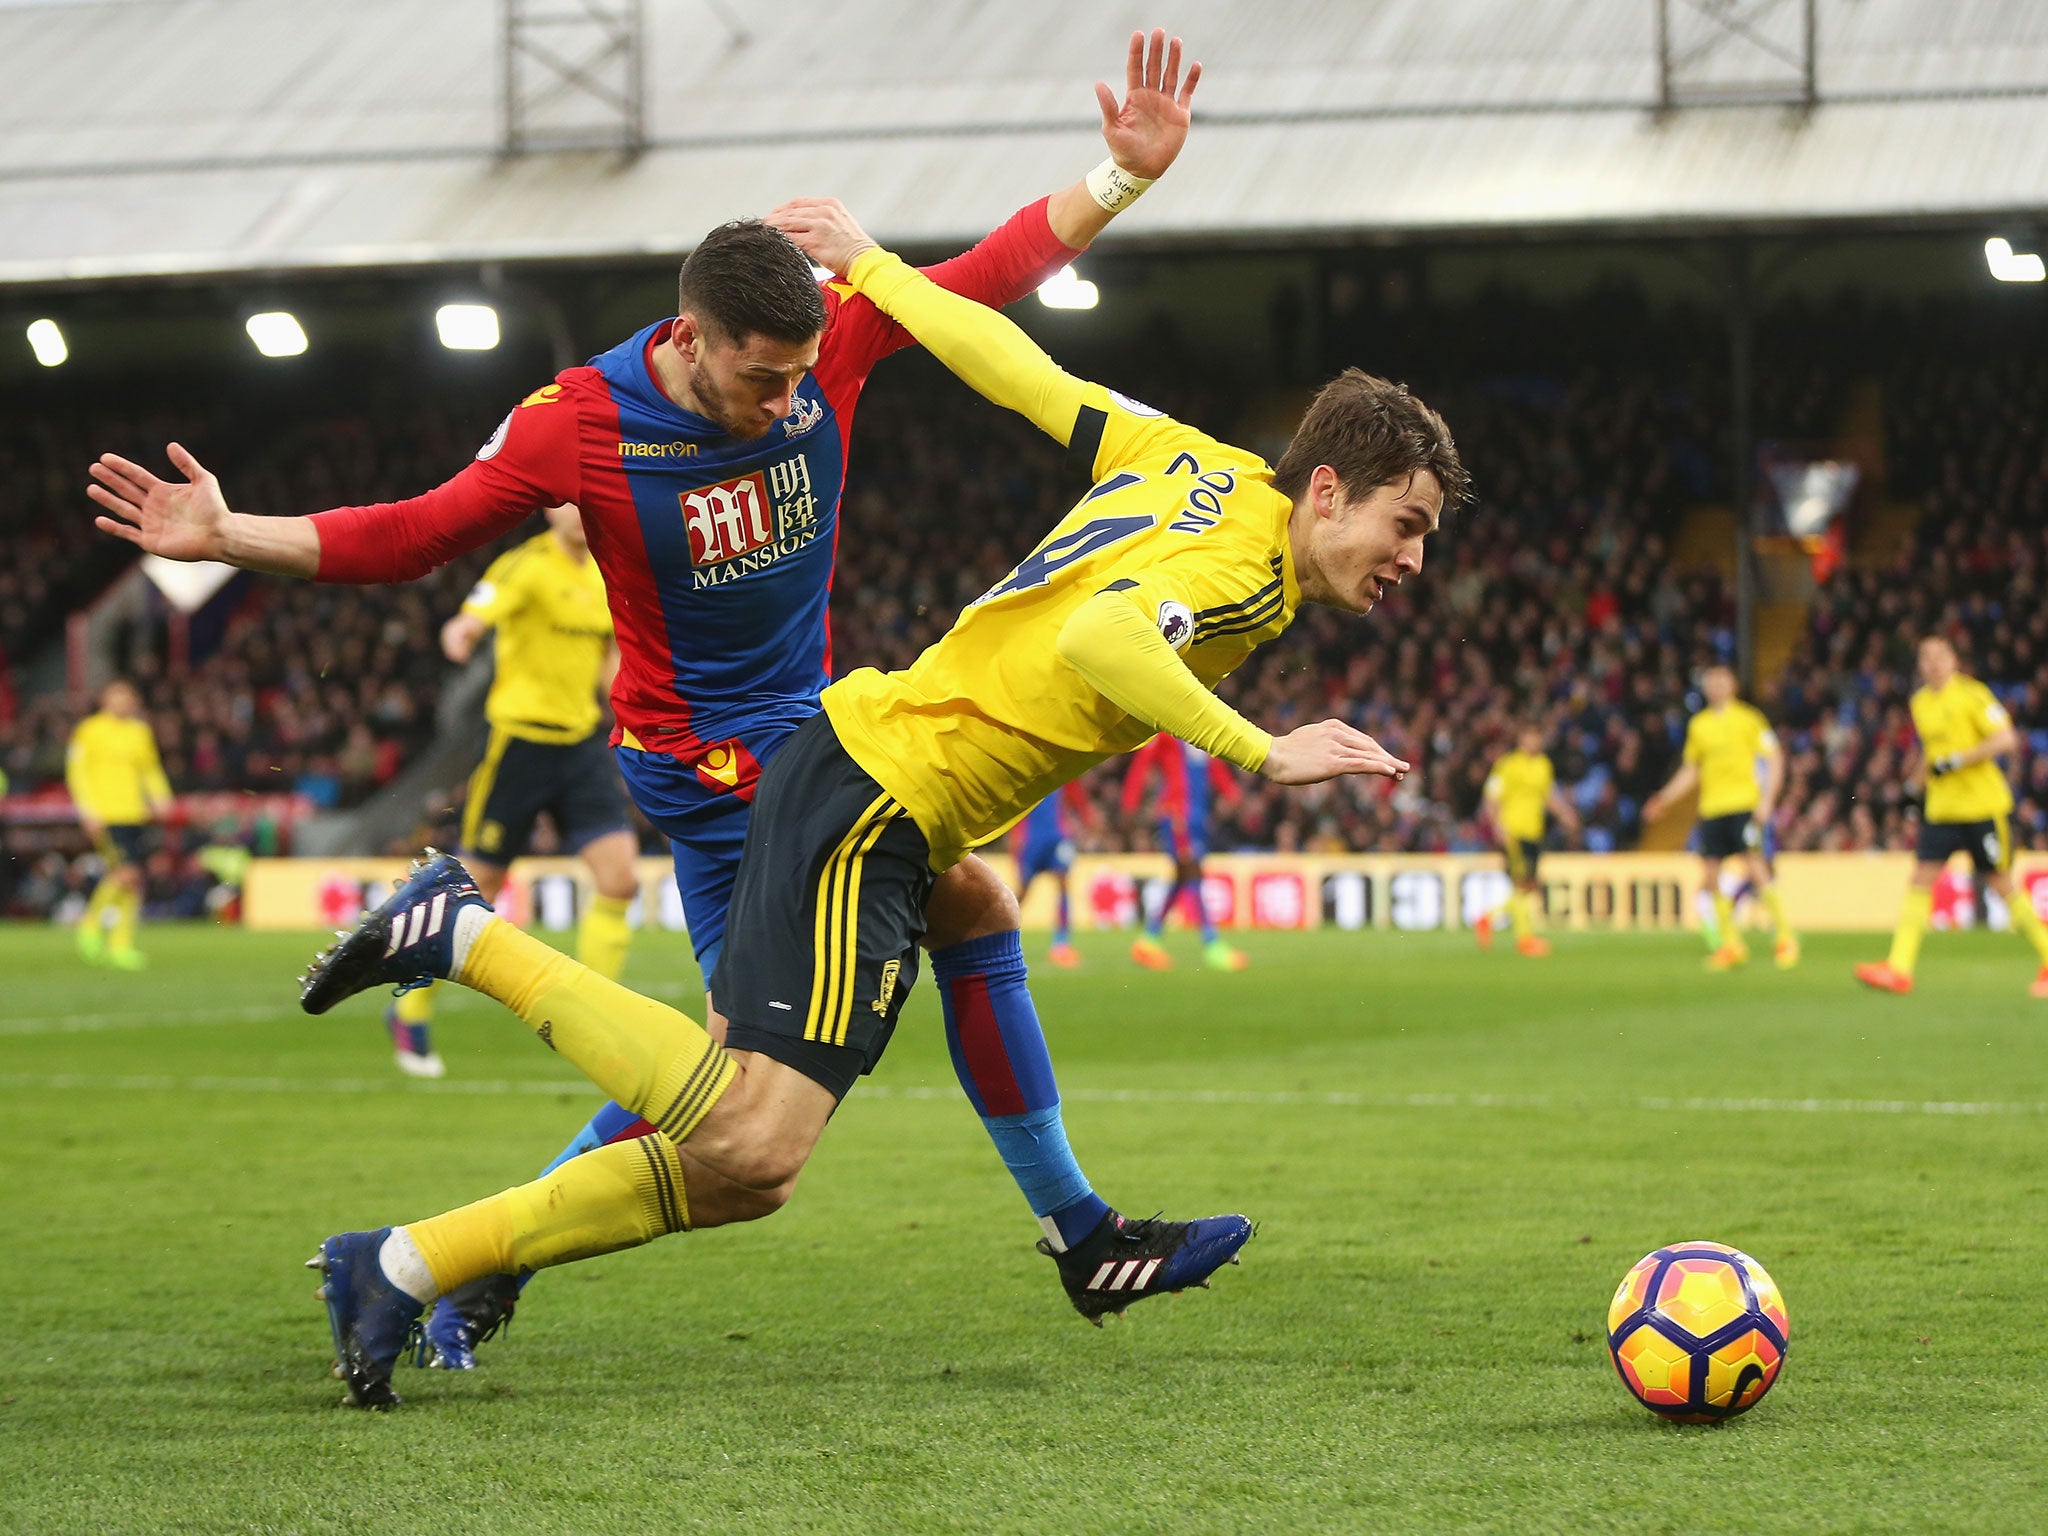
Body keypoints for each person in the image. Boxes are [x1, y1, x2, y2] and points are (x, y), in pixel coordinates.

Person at [89, 32, 1206, 1376]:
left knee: (864, 985)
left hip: (812, 736)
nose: (785, 400)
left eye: (800, 376)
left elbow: (985, 279)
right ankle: (1074, 1234)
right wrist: (231, 535)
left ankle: (1072, 1232)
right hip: (718, 772)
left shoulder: (827, 344)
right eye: (759, 378)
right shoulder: (580, 425)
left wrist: (1119, 179)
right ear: (689, 339)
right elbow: (416, 530)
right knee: (754, 1113)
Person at [292, 196, 1468, 1409]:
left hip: (865, 765)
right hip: (869, 798)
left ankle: (416, 1263)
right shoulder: (1239, 580)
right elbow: (1105, 632)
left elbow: (1020, 369)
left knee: (963, 923)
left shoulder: (1197, 464)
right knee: (750, 1145)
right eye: (1406, 524)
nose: (1412, 559)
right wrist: (1260, 752)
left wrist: (880, 270)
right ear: (1326, 488)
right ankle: (460, 943)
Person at [382, 502, 640, 1079]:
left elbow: (608, 653)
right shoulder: (524, 567)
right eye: (568, 503)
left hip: (580, 744)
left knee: (620, 880)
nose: (579, 513)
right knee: (477, 888)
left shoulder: (606, 571)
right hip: (518, 745)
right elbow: (476, 612)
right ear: (551, 511)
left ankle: (600, 1019)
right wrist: (462, 631)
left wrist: (621, 698)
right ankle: (410, 1009)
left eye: (586, 502)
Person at [1855, 634, 2048, 998]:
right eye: (1926, 657)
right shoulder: (1920, 702)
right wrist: (1915, 784)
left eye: (1940, 656)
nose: (1933, 663)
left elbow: (2005, 738)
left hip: (1981, 807)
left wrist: (1959, 759)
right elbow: (1932, 753)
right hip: (1941, 809)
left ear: (1954, 660)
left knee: (2001, 883)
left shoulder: (1972, 695)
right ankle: (1899, 967)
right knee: (1920, 880)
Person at [1642, 665, 1799, 971]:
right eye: (1711, 682)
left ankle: (1784, 936)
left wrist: (1768, 799)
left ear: (1733, 685)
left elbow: (1775, 757)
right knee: (1711, 873)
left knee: (1755, 865)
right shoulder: (1699, 725)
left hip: (1743, 804)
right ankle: (1731, 943)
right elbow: (1691, 770)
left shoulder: (1749, 719)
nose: (1716, 686)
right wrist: (1665, 798)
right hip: (1712, 808)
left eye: (1722, 681)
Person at [65, 680, 171, 971]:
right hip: (106, 813)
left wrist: (161, 797)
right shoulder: (90, 730)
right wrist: (87, 810)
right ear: (105, 699)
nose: (123, 702)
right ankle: (90, 925)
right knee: (126, 874)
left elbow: (150, 769)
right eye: (117, 696)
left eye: (127, 697)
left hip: (134, 813)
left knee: (133, 882)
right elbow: (78, 773)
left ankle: (120, 945)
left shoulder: (139, 732)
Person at [1121, 733, 1245, 970]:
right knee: (1193, 871)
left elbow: (1214, 764)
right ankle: (1212, 944)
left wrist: (1230, 791)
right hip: (1177, 814)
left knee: (1182, 876)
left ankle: (1148, 940)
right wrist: (1130, 803)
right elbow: (1142, 762)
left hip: (1198, 817)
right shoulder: (1167, 735)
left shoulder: (1200, 733)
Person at [1473, 722, 1580, 958]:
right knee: (1522, 883)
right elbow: (1492, 797)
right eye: (1530, 737)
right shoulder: (1508, 765)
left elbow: (1548, 795)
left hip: (1535, 831)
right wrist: (1497, 825)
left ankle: (1486, 918)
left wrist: (1565, 814)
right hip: (1514, 831)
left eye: (1538, 738)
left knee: (1528, 885)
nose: (1534, 742)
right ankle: (1525, 939)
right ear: (1521, 739)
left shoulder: (1543, 765)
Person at [1013, 780, 1096, 967]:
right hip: (1032, 842)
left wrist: (1086, 819)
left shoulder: (1061, 766)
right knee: (1023, 893)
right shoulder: (1028, 774)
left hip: (1057, 837)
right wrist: (1016, 836)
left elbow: (1076, 793)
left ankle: (1061, 945)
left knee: (1063, 882)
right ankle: (997, 933)